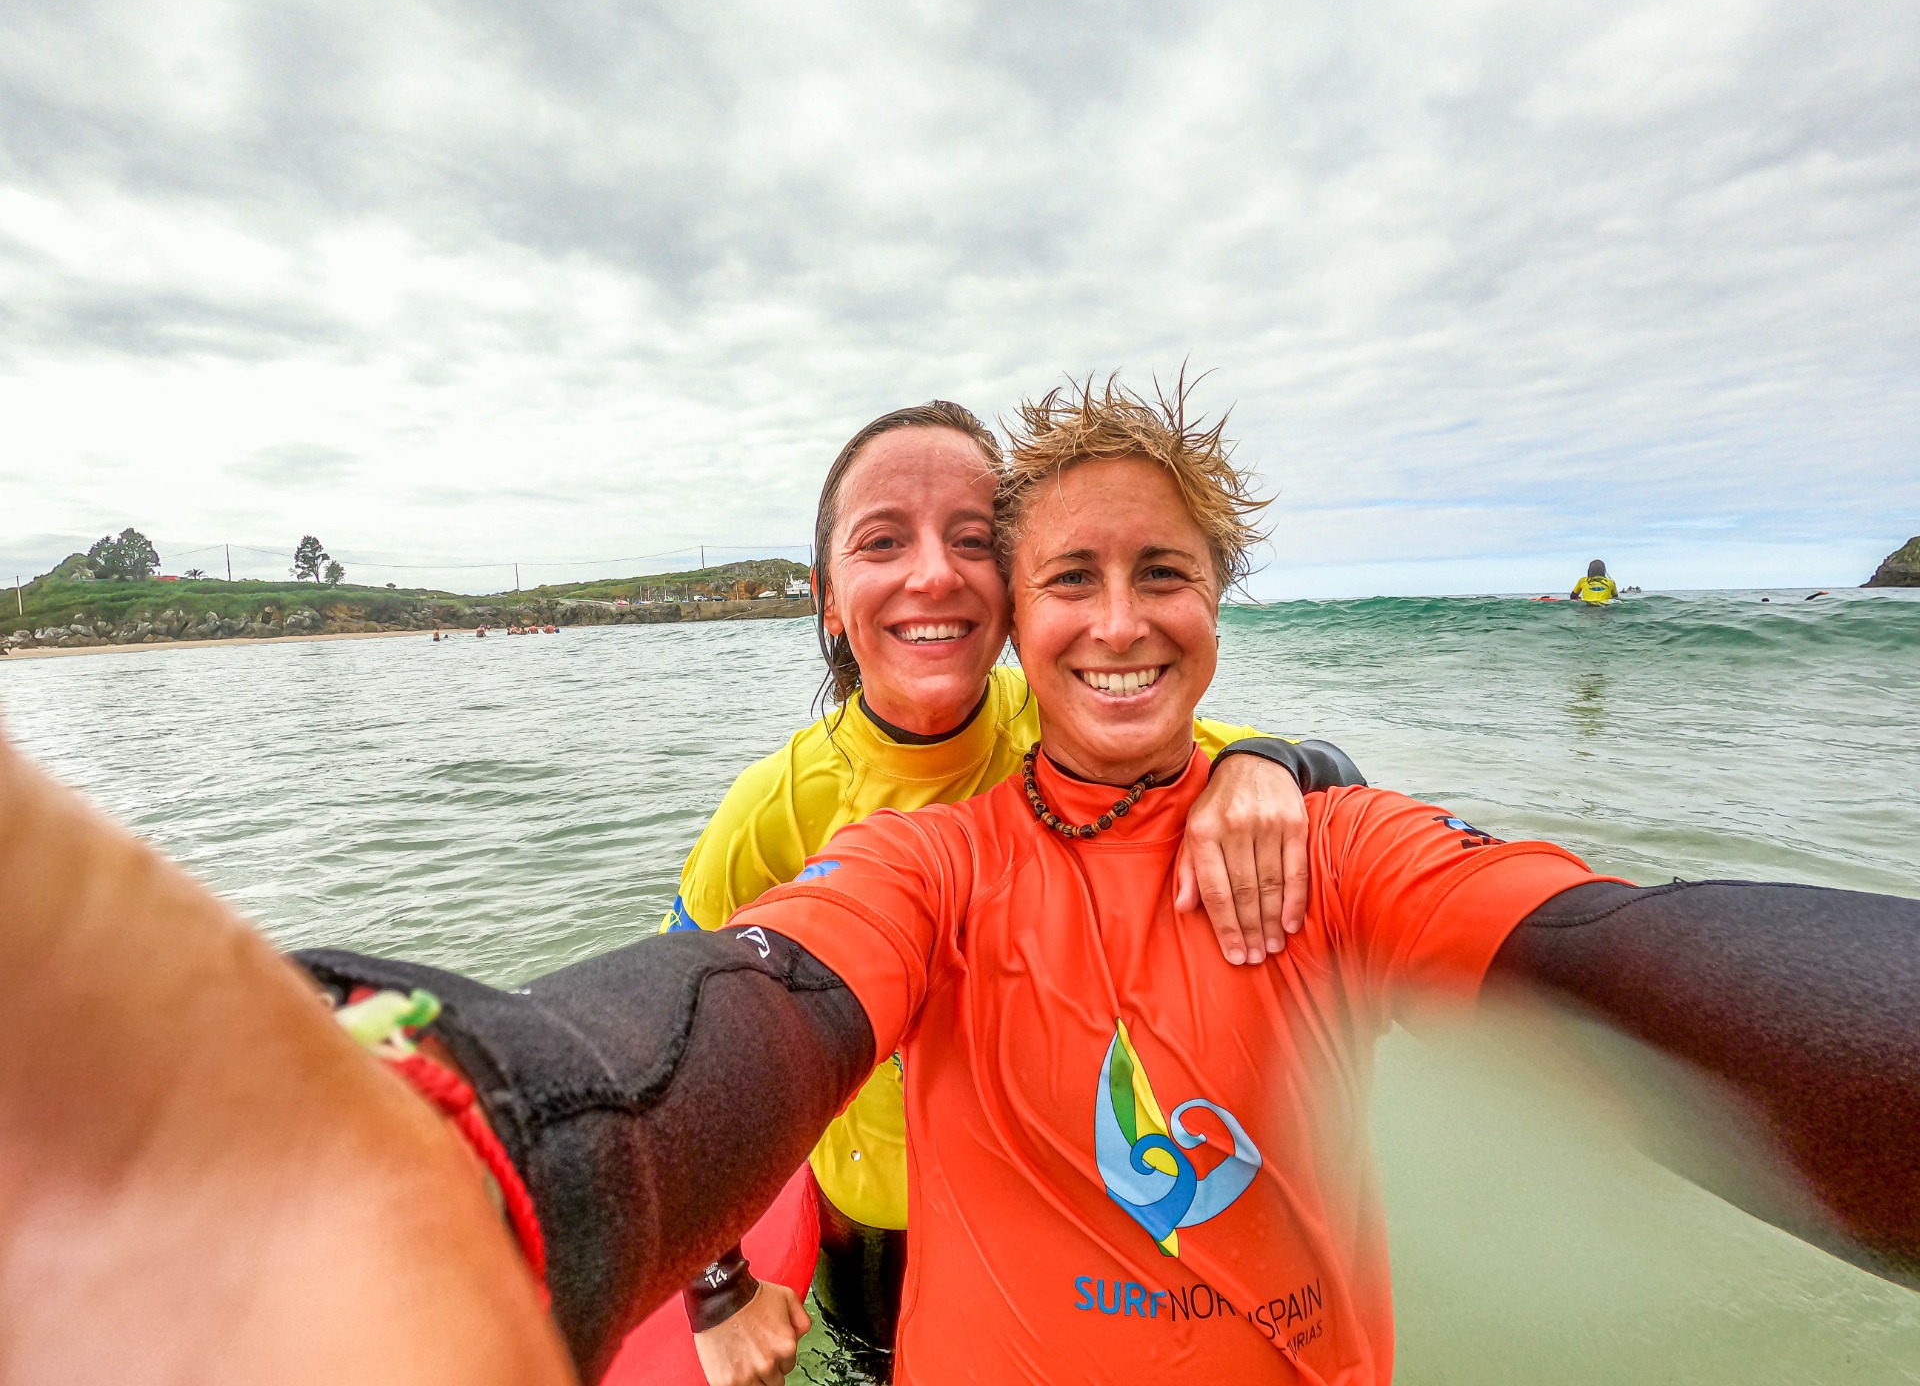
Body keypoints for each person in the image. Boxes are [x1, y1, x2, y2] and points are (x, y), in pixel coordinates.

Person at [293, 377, 1917, 1382]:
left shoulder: (1256, 806)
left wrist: (1296, 768)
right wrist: (480, 1140)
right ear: (841, 594)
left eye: (1163, 574)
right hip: (854, 1190)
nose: (1117, 620)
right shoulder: (856, 834)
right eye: (1074, 573)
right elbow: (734, 996)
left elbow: (1586, 947)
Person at [654, 400, 1363, 1385]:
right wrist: (718, 1286)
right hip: (883, 1226)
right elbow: (672, 1048)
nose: (933, 573)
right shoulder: (774, 809)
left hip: (1066, 1222)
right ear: (827, 597)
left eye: (973, 540)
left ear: (1019, 584)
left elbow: (1333, 786)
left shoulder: (1075, 716)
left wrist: (1269, 763)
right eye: (883, 542)